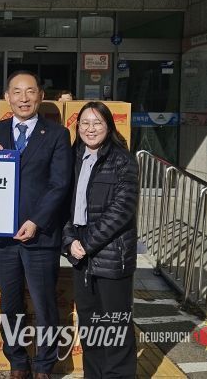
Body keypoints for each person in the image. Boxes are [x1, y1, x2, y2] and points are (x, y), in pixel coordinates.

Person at [0, 70, 72, 379]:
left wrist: (36, 221)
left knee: (45, 304)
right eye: (17, 92)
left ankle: (44, 365)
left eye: (30, 91)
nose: (24, 98)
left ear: (40, 96)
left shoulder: (57, 134)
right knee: (10, 303)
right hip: (2, 238)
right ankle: (17, 362)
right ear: (7, 97)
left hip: (40, 236)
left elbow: (60, 185)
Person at [62, 101, 138, 378]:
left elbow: (122, 210)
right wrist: (69, 241)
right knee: (90, 325)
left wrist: (87, 243)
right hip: (81, 254)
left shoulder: (122, 160)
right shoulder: (73, 158)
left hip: (111, 254)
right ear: (77, 126)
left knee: (115, 326)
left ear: (109, 126)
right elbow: (64, 205)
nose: (90, 129)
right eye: (85, 123)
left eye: (97, 123)